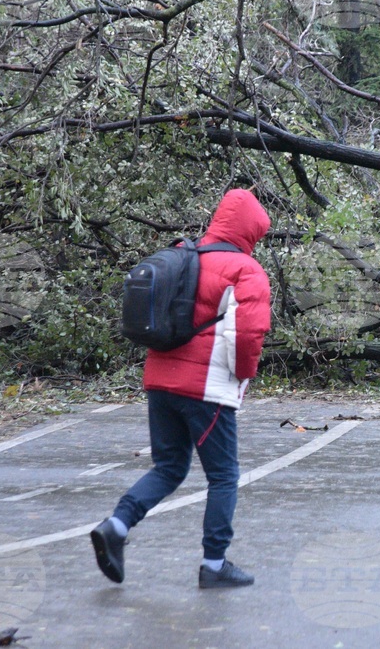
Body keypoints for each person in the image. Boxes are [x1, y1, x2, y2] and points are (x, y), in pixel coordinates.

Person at [91, 188, 272, 588]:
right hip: (205, 388)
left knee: (169, 467)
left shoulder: (182, 254)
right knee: (224, 475)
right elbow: (248, 334)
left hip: (159, 379)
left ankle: (117, 526)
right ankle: (214, 565)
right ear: (251, 231)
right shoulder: (246, 270)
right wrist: (243, 376)